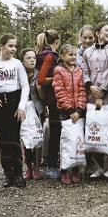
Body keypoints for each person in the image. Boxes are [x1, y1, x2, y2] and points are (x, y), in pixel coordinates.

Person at [0, 33, 29, 188]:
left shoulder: (17, 64)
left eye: (15, 46)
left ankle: (18, 173)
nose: (13, 49)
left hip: (14, 102)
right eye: (10, 46)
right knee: (4, 140)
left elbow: (25, 86)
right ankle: (8, 174)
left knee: (14, 139)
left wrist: (21, 107)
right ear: (1, 46)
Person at [80, 23, 108, 179]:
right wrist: (90, 87)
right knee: (95, 130)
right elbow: (84, 71)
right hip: (91, 95)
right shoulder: (87, 52)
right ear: (97, 33)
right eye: (106, 31)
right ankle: (97, 166)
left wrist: (101, 93)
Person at [52, 44, 87, 185]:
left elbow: (82, 90)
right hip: (65, 113)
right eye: (69, 55)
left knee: (78, 140)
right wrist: (70, 110)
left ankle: (76, 168)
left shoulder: (79, 70)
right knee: (67, 141)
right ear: (62, 56)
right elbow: (59, 91)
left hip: (78, 113)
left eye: (75, 55)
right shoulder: (58, 71)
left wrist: (79, 109)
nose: (73, 57)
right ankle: (65, 169)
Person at [35, 30, 61, 178]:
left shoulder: (44, 55)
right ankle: (52, 163)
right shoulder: (50, 56)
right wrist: (58, 77)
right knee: (56, 131)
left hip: (54, 97)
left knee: (56, 130)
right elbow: (41, 79)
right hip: (54, 98)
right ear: (56, 41)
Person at [20, 48, 44, 180]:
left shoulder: (39, 74)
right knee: (26, 140)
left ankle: (36, 168)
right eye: (28, 58)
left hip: (37, 111)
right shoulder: (19, 74)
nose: (32, 60)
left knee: (37, 140)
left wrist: (39, 88)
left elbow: (43, 96)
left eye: (34, 58)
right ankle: (28, 167)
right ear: (22, 61)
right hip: (23, 111)